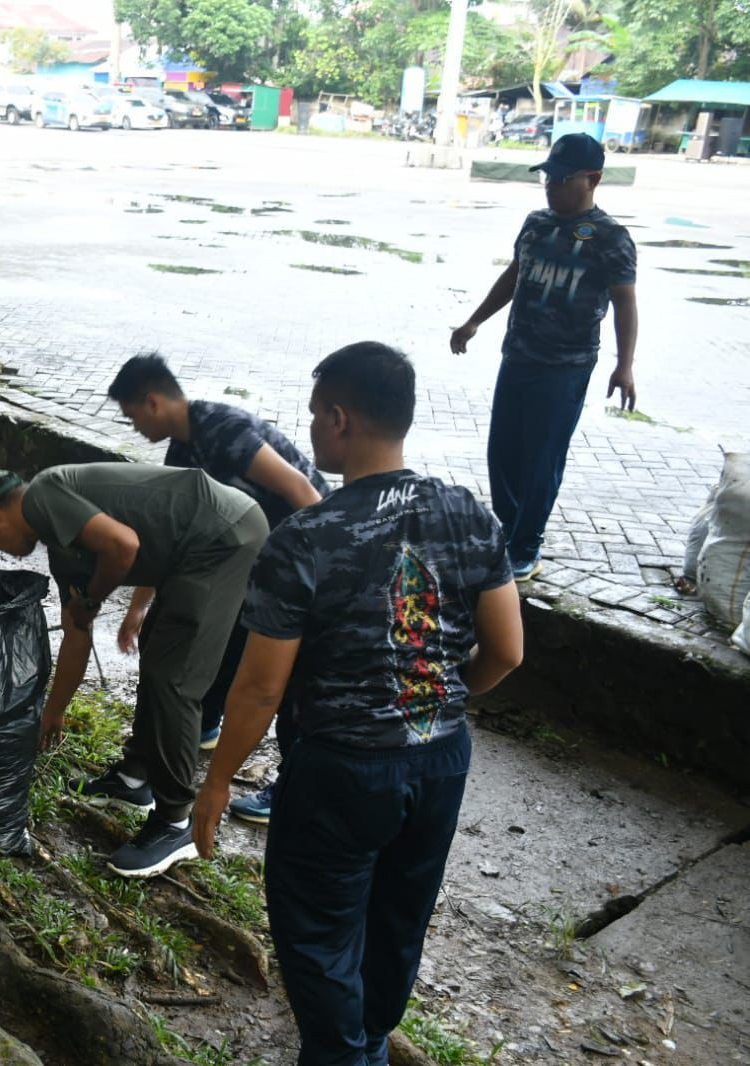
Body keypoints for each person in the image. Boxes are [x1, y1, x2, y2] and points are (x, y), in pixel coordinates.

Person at [192, 341, 523, 1066]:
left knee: (316, 931)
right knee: (398, 918)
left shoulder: (305, 537)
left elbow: (259, 686)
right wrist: (432, 702)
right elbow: (506, 650)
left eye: (314, 415)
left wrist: (217, 782)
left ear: (339, 419)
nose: (310, 428)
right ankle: (364, 1041)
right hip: (439, 762)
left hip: (339, 770)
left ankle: (346, 1054)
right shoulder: (467, 513)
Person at [0, 462, 268, 878]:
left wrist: (92, 598)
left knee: (174, 679)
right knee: (158, 655)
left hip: (222, 534)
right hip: (193, 548)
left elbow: (122, 545)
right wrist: (54, 711)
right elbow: (77, 633)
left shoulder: (43, 495)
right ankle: (133, 779)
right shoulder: (62, 547)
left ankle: (176, 821)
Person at [108, 352, 328, 825]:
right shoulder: (182, 452)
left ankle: (290, 788)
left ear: (151, 402)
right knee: (198, 638)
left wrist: (319, 580)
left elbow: (303, 493)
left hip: (294, 563)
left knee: (286, 684)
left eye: (131, 416)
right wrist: (137, 610)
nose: (133, 428)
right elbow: (169, 540)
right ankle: (195, 730)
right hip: (242, 564)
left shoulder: (221, 430)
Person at [451, 132, 637, 583]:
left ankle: (526, 544)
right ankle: (511, 529)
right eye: (547, 178)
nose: (551, 187)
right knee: (503, 452)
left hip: (566, 367)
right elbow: (515, 274)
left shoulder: (610, 238)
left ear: (592, 179)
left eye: (561, 178)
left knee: (542, 458)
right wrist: (475, 320)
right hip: (517, 356)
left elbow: (625, 303)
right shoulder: (535, 223)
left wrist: (624, 364)